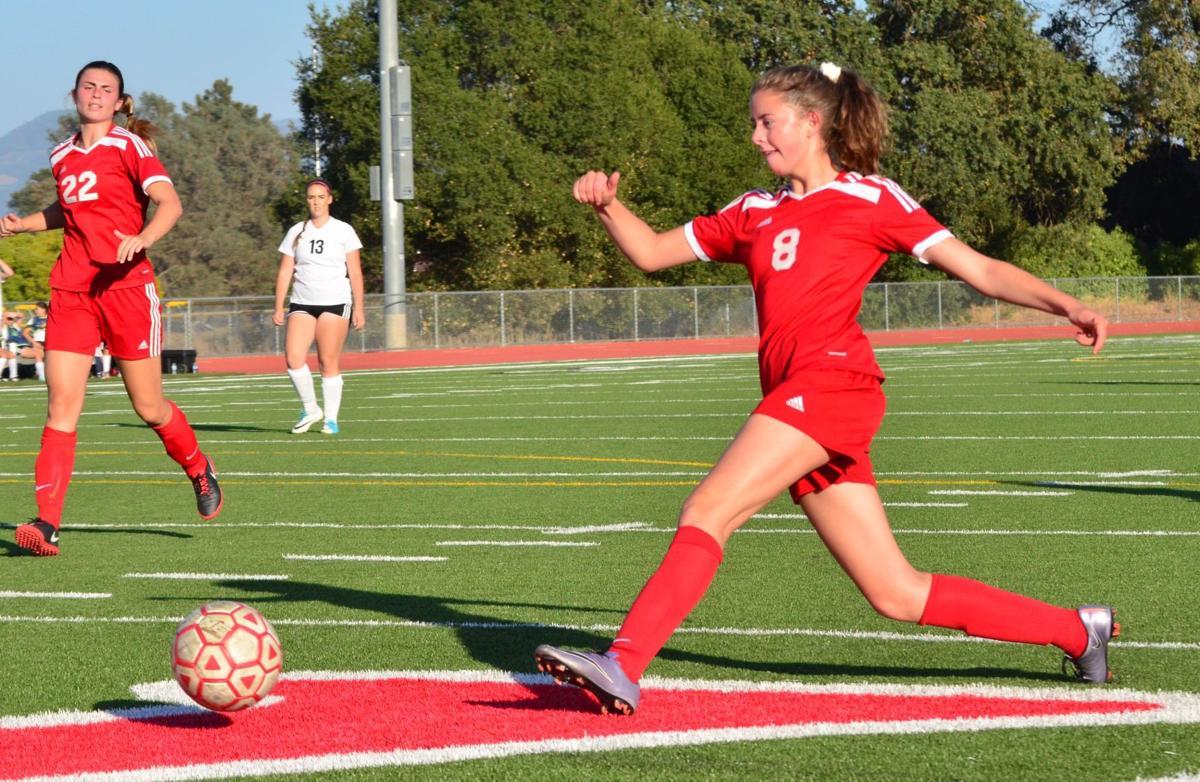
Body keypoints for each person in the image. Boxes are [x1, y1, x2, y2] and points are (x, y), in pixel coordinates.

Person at [534, 62, 1116, 715]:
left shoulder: (873, 199)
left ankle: (622, 663)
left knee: (709, 511)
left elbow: (978, 269)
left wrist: (1067, 304)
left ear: (813, 122)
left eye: (767, 121)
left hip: (834, 383)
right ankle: (1078, 629)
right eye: (753, 123)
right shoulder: (752, 211)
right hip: (805, 399)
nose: (756, 137)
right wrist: (609, 206)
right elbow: (649, 252)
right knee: (896, 592)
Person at [0, 60, 223, 556]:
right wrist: (23, 226)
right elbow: (68, 209)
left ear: (120, 102)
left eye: (106, 89)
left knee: (148, 406)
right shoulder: (61, 154)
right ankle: (47, 523)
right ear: (74, 94)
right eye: (88, 87)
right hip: (73, 292)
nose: (96, 94)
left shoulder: (130, 146)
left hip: (127, 289)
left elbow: (170, 204)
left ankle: (197, 467)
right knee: (61, 406)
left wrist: (142, 237)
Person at [272, 178, 365, 436]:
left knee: (327, 361)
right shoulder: (296, 231)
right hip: (302, 301)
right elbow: (285, 271)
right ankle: (311, 408)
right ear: (307, 200)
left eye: (320, 197)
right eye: (311, 197)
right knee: (293, 358)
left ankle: (331, 419)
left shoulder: (343, 231)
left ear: (330, 199)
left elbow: (355, 272)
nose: (316, 201)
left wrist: (359, 308)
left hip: (335, 301)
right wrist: (278, 306)